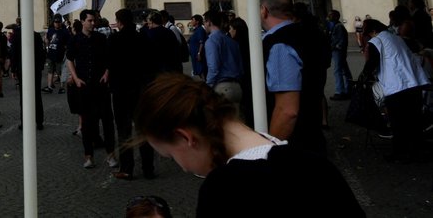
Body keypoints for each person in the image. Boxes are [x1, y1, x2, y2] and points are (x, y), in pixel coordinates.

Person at [133, 73, 365, 218]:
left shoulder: (223, 191)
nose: (182, 167)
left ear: (185, 137)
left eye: (171, 155)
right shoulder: (315, 164)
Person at [259, 0, 327, 155]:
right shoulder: (310, 33)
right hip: (312, 132)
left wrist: (266, 151)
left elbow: (287, 110)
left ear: (264, 10)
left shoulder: (279, 44)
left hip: (294, 145)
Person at [361, 18, 430, 163]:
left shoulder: (377, 41)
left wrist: (362, 78)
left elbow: (371, 63)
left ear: (373, 31)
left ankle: (400, 153)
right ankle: (417, 150)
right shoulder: (396, 38)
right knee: (414, 119)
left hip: (396, 86)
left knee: (398, 122)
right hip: (413, 82)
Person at [107, 8, 155, 181]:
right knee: (143, 130)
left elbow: (110, 63)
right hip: (140, 89)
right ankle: (148, 168)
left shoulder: (115, 39)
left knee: (123, 130)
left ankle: (127, 169)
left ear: (120, 22)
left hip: (121, 90)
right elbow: (150, 64)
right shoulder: (143, 37)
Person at [66, 9, 114, 169]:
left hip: (100, 85)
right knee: (87, 122)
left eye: (94, 21)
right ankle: (89, 156)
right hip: (84, 85)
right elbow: (69, 59)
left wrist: (107, 72)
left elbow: (108, 58)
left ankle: (111, 155)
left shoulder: (101, 38)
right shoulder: (75, 40)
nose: (93, 23)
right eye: (90, 21)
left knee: (107, 121)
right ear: (82, 22)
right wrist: (76, 77)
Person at [202, 10, 243, 105]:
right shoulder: (231, 41)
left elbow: (213, 67)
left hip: (222, 87)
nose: (204, 24)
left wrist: (208, 86)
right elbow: (240, 66)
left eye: (204, 21)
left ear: (209, 22)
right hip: (237, 86)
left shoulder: (211, 41)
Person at [227, 17, 254, 127]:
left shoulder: (236, 44)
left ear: (236, 30)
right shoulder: (251, 41)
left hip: (244, 81)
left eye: (231, 28)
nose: (229, 31)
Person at [328, 10, 353, 101]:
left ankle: (340, 91)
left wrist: (333, 47)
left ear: (336, 17)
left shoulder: (338, 26)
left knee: (337, 70)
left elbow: (341, 40)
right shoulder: (337, 26)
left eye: (330, 15)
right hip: (339, 51)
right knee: (344, 69)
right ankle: (349, 88)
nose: (328, 17)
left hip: (338, 51)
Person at [43, 14, 70, 93]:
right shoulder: (50, 30)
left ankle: (62, 87)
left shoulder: (64, 31)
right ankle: (49, 86)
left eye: (58, 22)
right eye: (55, 22)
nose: (57, 23)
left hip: (60, 54)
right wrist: (46, 41)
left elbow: (68, 42)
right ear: (53, 22)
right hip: (51, 53)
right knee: (50, 71)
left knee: (60, 72)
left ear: (61, 22)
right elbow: (48, 40)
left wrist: (65, 49)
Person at [187, 15, 207, 80]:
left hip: (198, 55)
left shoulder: (200, 30)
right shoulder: (196, 30)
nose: (191, 22)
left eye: (193, 20)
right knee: (198, 72)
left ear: (197, 21)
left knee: (201, 71)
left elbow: (201, 42)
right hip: (194, 55)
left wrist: (199, 53)